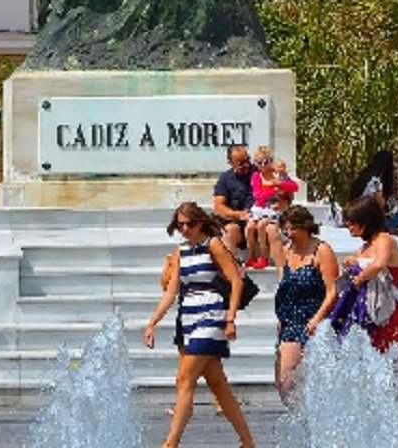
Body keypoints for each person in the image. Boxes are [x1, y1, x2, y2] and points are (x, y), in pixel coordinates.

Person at [142, 202, 253, 448]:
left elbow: (236, 281)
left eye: (189, 224)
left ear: (200, 222)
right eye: (180, 224)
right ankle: (247, 442)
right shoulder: (181, 250)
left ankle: (171, 444)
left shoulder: (212, 244)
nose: (184, 229)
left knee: (185, 378)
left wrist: (230, 318)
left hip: (211, 315)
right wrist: (152, 323)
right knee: (217, 384)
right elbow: (171, 291)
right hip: (188, 318)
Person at [272, 205, 339, 399]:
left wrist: (317, 318)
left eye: (293, 228)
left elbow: (333, 290)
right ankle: (303, 424)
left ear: (306, 226)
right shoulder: (286, 250)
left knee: (291, 382)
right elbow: (284, 285)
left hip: (311, 318)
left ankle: (311, 423)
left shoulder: (321, 250)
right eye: (286, 228)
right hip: (288, 319)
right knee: (284, 384)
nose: (288, 233)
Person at [335, 195, 398, 353]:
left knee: (389, 357)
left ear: (366, 221)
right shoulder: (365, 246)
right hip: (365, 309)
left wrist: (360, 278)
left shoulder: (384, 239)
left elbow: (379, 263)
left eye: (353, 222)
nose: (348, 225)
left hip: (384, 310)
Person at [353, 150, 398, 239]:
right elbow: (381, 205)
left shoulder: (362, 177)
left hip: (362, 221)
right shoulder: (376, 182)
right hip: (376, 224)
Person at [213, 145, 256, 256]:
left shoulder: (259, 173)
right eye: (241, 163)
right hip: (236, 221)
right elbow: (218, 207)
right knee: (231, 230)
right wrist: (237, 214)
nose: (246, 165)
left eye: (247, 160)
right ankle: (232, 268)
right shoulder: (225, 179)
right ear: (231, 162)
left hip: (257, 220)